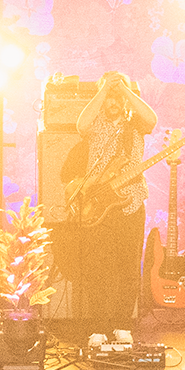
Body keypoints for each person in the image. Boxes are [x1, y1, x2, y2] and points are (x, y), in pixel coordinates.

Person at [60, 70, 158, 334]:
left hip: (131, 204)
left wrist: (124, 90)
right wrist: (103, 90)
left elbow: (152, 119)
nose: (112, 103)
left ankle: (123, 327)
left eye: (117, 99)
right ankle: (98, 330)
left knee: (128, 269)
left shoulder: (135, 123)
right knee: (98, 271)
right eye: (109, 99)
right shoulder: (96, 124)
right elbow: (81, 125)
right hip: (99, 207)